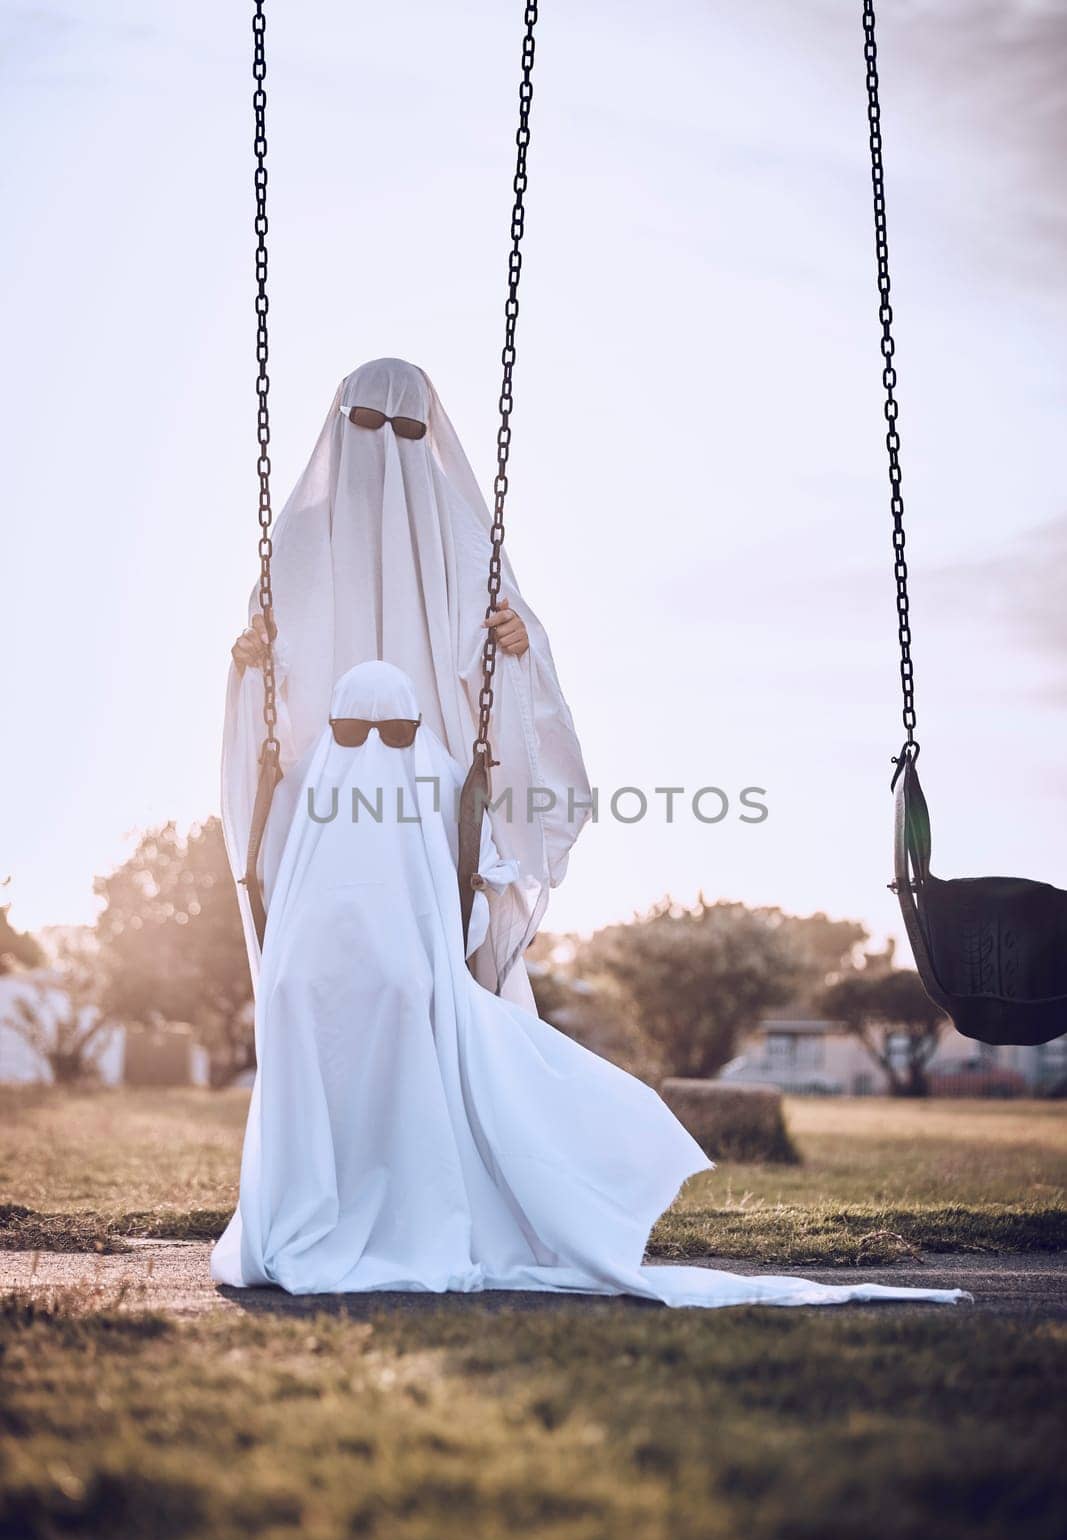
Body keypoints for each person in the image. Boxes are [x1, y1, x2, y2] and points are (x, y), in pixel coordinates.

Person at [211, 661, 969, 1311]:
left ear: (415, 728)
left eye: (395, 733)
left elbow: (497, 801)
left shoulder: (426, 773)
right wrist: (249, 674)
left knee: (435, 1078)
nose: (375, 751)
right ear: (333, 731)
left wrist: (509, 671)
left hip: (407, 981)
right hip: (317, 983)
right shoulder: (313, 777)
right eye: (354, 733)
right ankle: (334, 1206)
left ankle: (403, 1211)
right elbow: (258, 822)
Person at [224, 356, 590, 1009]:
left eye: (406, 427)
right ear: (340, 427)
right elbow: (272, 665)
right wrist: (253, 661)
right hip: (329, 784)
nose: (386, 445)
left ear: (432, 431)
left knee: (434, 962)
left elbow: (515, 654)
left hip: (439, 783)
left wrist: (514, 649)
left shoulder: (468, 542)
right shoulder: (301, 539)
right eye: (367, 423)